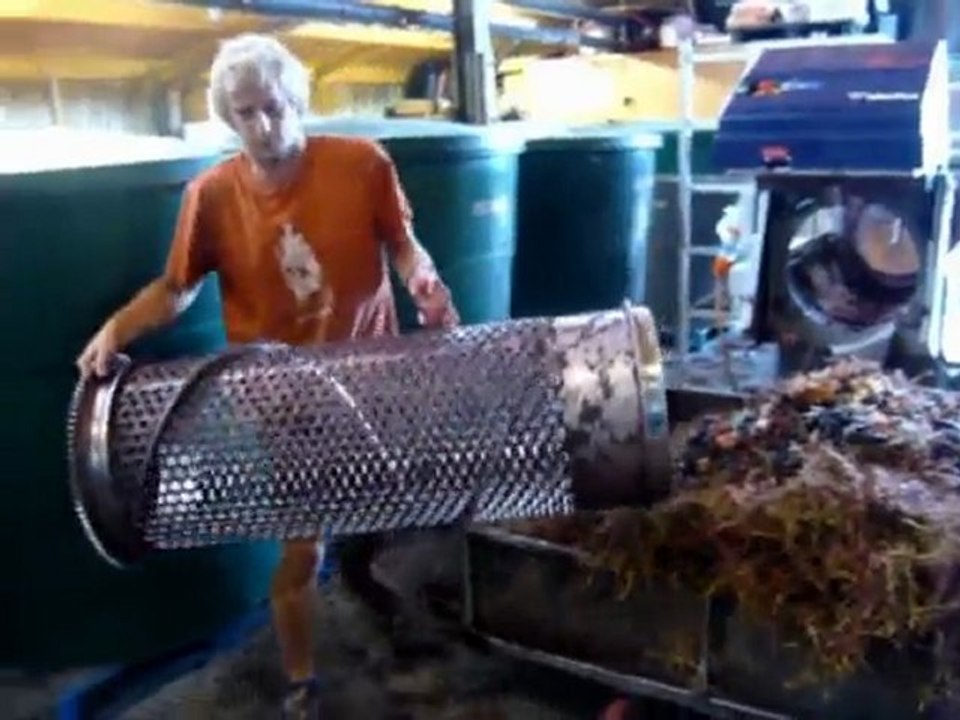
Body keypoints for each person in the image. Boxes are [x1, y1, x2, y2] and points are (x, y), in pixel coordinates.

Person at [76, 32, 459, 720]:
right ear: (229, 118)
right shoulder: (212, 196)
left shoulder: (361, 164)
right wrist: (116, 330)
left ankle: (372, 582)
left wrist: (422, 277)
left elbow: (401, 244)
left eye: (274, 107)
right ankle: (303, 681)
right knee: (300, 549)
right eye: (246, 112)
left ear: (298, 101)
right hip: (282, 398)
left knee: (382, 505)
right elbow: (176, 287)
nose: (264, 124)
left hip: (369, 374)